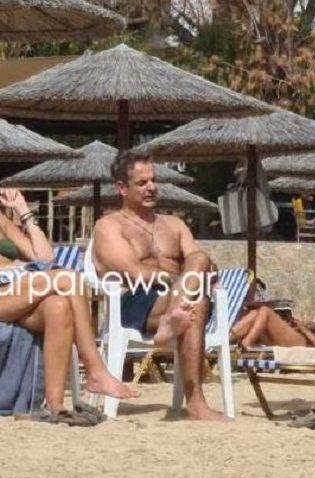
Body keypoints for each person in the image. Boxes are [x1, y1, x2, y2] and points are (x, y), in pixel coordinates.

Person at [0, 149, 138, 421]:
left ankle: (54, 406)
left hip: (16, 287)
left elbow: (45, 257)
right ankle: (95, 368)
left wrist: (23, 211)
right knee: (69, 278)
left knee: (59, 306)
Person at [92, 150, 226, 422]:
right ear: (122, 188)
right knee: (195, 298)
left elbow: (202, 266)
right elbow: (133, 272)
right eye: (142, 183)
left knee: (199, 268)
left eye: (153, 180)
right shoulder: (109, 226)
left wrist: (185, 284)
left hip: (176, 302)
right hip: (135, 303)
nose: (151, 187)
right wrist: (180, 282)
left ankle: (172, 321)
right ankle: (196, 403)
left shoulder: (174, 224)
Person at [229, 291, 315, 350]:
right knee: (255, 313)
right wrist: (296, 324)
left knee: (265, 310)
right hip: (293, 337)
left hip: (300, 343)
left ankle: (246, 344)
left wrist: (304, 329)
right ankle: (227, 340)